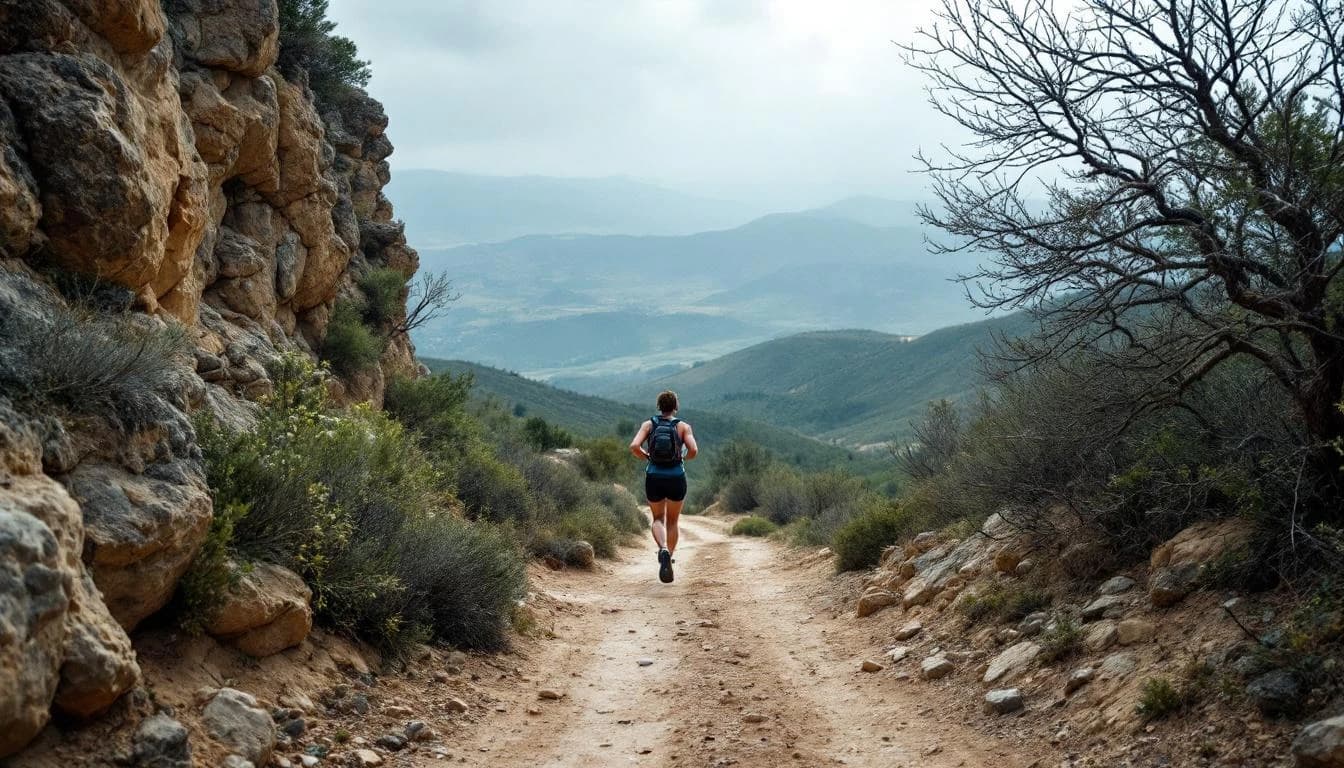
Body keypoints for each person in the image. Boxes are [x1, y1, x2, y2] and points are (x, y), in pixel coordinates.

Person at [629, 390, 697, 583]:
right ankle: (669, 556)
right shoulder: (683, 427)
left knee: (658, 518)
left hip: (654, 476)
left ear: (659, 406)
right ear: (676, 406)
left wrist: (647, 456)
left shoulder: (649, 424)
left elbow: (634, 446)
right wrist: (683, 458)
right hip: (676, 476)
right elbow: (694, 450)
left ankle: (663, 548)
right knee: (673, 521)